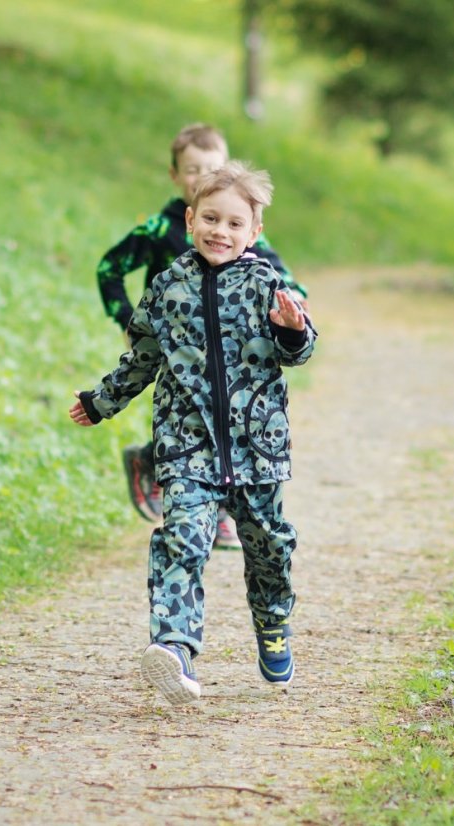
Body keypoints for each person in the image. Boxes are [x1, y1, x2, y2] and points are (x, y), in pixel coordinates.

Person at [71, 161, 317, 705]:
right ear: (189, 219)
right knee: (181, 538)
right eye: (210, 218)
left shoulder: (267, 285)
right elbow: (141, 358)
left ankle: (273, 624)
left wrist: (293, 332)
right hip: (187, 445)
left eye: (234, 224)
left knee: (269, 548)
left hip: (257, 450)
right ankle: (175, 648)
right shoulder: (167, 288)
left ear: (254, 233)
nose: (219, 232)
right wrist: (101, 401)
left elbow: (298, 349)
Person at [96, 123, 309, 550]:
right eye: (191, 169)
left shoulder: (236, 224)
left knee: (231, 424)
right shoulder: (159, 229)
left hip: (230, 349)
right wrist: (126, 321)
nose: (200, 177)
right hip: (173, 343)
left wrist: (294, 308)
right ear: (175, 175)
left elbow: (281, 278)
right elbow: (109, 270)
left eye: (211, 168)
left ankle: (223, 514)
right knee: (184, 418)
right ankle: (155, 465)